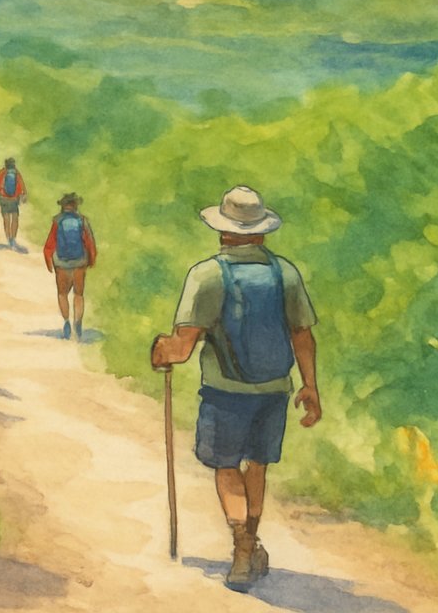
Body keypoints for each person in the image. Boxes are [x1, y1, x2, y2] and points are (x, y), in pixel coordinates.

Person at [150, 185, 320, 592]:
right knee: (256, 464)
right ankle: (251, 543)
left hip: (225, 390)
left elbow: (183, 346)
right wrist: (310, 387)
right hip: (276, 388)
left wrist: (160, 352)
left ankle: (242, 546)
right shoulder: (285, 273)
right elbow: (303, 336)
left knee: (227, 467)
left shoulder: (206, 275)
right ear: (262, 231)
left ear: (223, 231)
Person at [43, 193, 97, 340]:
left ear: (62, 206)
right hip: (79, 263)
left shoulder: (57, 220)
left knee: (62, 294)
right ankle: (78, 322)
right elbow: (90, 242)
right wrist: (91, 260)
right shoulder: (83, 220)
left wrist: (49, 261)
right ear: (75, 205)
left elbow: (50, 243)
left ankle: (66, 322)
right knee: (79, 295)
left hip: (61, 263)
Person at [0, 158, 28, 249]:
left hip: (3, 198)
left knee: (6, 219)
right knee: (15, 218)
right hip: (14, 199)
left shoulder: (2, 172)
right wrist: (24, 194)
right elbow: (22, 184)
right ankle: (13, 238)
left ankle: (8, 239)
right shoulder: (16, 173)